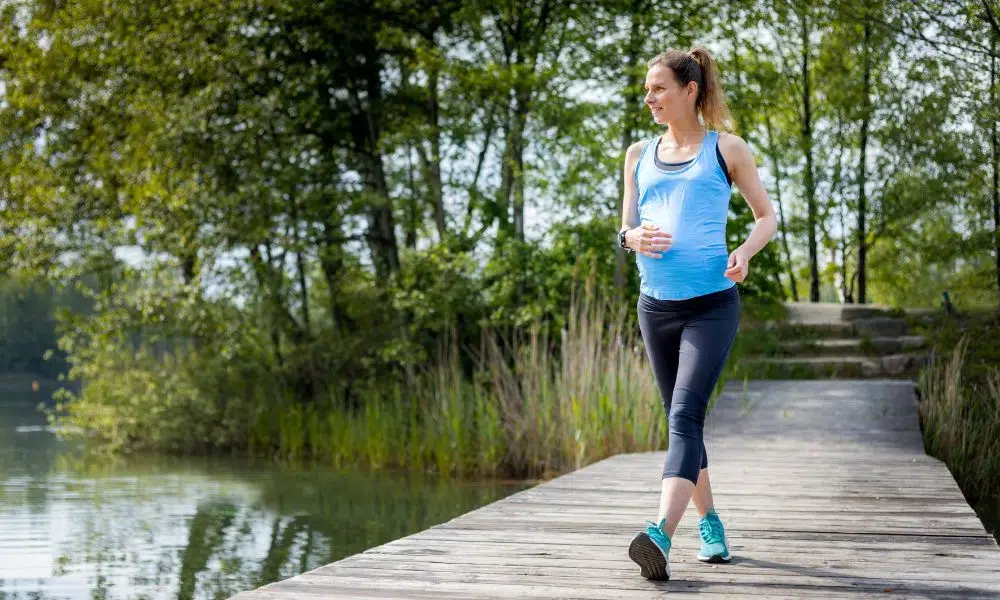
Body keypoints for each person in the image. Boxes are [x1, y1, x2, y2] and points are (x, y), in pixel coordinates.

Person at [618, 47, 777, 581]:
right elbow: (626, 228)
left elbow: (766, 216)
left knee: (686, 416)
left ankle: (659, 533)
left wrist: (746, 253)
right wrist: (631, 236)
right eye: (647, 89)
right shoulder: (638, 153)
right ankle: (711, 523)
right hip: (654, 306)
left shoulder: (725, 148)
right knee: (681, 422)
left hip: (711, 304)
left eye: (659, 88)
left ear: (689, 90)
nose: (650, 98)